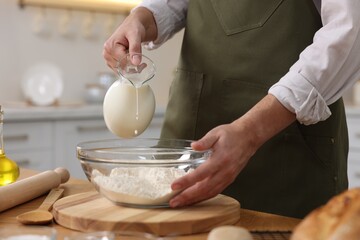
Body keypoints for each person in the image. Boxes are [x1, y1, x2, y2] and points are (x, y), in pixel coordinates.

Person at [103, 0, 360, 218]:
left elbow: (349, 32)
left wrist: (252, 131)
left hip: (286, 156)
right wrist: (141, 18)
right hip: (188, 139)